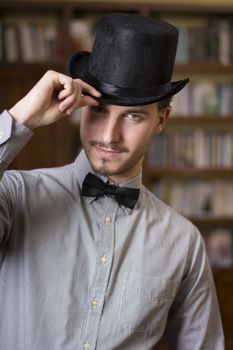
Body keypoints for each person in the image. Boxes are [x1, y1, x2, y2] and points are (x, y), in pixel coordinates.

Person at [0, 13, 224, 350]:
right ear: (76, 107)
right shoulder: (16, 196)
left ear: (161, 120)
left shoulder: (184, 243)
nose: (108, 135)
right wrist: (19, 120)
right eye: (99, 110)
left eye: (133, 115)